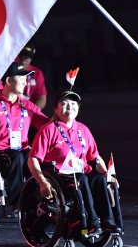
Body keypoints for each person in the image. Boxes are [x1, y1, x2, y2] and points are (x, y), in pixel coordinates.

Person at [28, 87, 121, 236]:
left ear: (78, 107)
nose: (69, 107)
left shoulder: (83, 129)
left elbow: (95, 157)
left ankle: (108, 221)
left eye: (73, 104)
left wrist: (106, 174)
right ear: (55, 108)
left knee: (100, 180)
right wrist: (41, 182)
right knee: (82, 179)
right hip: (60, 176)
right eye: (64, 104)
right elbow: (33, 158)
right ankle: (92, 223)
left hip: (80, 174)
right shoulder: (48, 130)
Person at [0, 62, 50, 215]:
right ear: (8, 81)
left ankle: (42, 199)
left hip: (22, 151)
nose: (25, 82)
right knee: (18, 157)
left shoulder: (27, 105)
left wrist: (63, 112)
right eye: (21, 78)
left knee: (34, 157)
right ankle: (18, 202)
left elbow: (47, 125)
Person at [15, 43, 47, 110]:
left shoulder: (37, 73)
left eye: (26, 58)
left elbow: (42, 98)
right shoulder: (7, 69)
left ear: (31, 59)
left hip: (28, 110)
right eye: (21, 57)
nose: (23, 61)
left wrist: (30, 111)